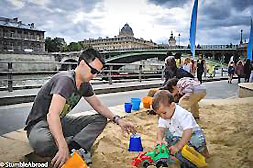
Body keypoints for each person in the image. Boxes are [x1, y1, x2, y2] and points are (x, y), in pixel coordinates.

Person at [24, 48, 136, 168]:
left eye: (98, 72)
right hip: (40, 123)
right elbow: (52, 115)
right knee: (43, 143)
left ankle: (74, 146)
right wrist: (62, 146)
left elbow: (98, 105)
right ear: (82, 64)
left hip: (61, 121)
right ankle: (72, 145)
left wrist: (118, 120)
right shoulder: (65, 80)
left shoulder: (85, 85)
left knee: (100, 119)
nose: (95, 75)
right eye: (93, 71)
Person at [152, 90, 209, 167]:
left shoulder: (182, 114)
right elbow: (161, 129)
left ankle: (203, 152)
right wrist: (159, 139)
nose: (162, 116)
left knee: (197, 141)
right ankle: (177, 155)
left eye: (164, 113)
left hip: (192, 134)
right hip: (177, 135)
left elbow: (188, 131)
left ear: (172, 105)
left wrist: (178, 146)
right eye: (159, 114)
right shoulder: (164, 116)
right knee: (167, 135)